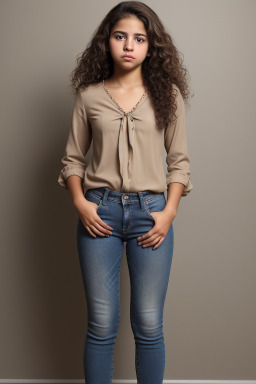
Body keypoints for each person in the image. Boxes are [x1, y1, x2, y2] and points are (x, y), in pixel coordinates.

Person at [57, 1, 193, 383]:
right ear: (107, 42)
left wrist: (168, 213)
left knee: (149, 322)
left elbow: (179, 162)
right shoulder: (89, 97)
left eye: (139, 38)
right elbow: (71, 160)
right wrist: (80, 203)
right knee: (101, 321)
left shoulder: (168, 95)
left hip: (152, 212)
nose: (129, 45)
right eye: (120, 37)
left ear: (151, 47)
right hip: (98, 211)